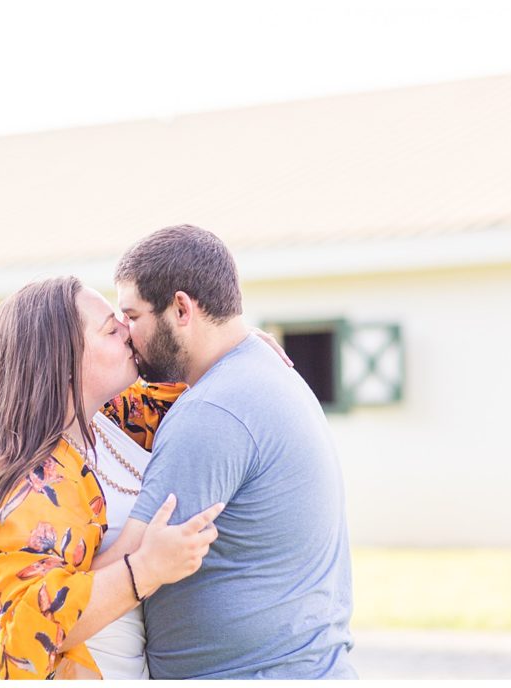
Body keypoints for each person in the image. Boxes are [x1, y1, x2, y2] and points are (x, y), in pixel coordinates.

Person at [0, 276, 224, 679]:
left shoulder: (111, 416)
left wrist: (234, 346)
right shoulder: (19, 481)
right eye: (111, 330)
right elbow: (27, 632)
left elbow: (197, 382)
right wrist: (147, 567)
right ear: (62, 362)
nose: (127, 332)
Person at [97, 224, 357, 679]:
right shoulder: (260, 373)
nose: (127, 335)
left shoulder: (212, 410)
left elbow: (125, 564)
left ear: (181, 308)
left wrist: (19, 595)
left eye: (133, 316)